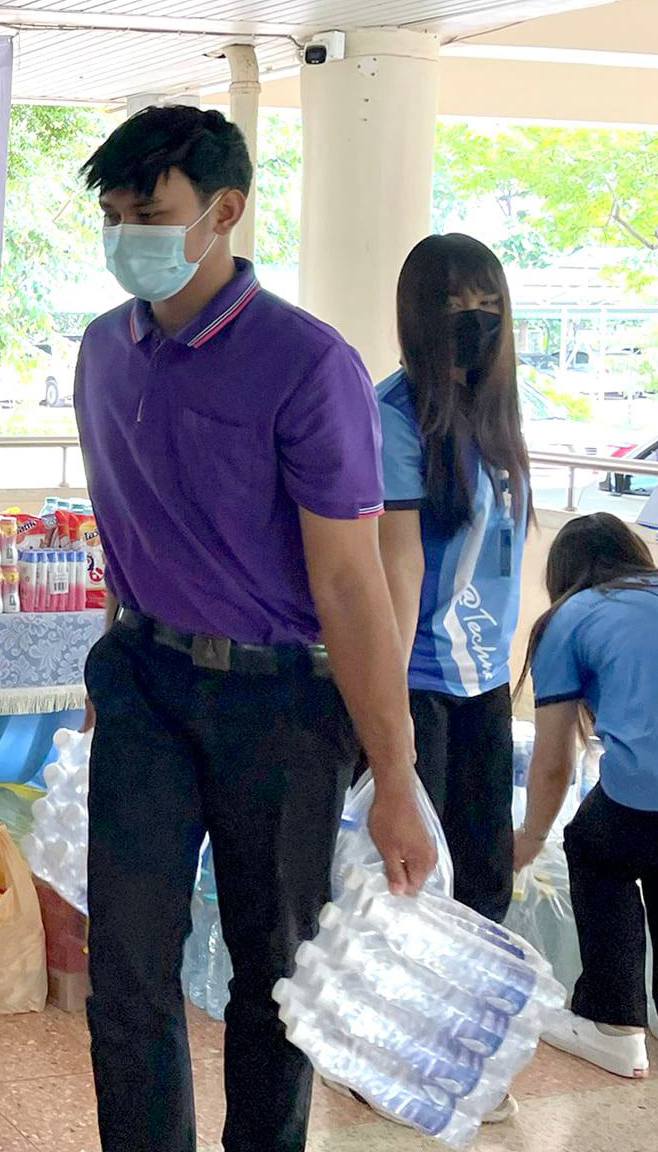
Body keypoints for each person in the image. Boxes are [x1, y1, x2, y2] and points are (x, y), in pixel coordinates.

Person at [71, 105, 436, 1152]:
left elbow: (352, 584)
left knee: (274, 977)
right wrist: (109, 678)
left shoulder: (308, 364)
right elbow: (125, 524)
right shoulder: (104, 351)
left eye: (149, 211)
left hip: (278, 704)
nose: (124, 234)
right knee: (127, 975)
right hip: (142, 681)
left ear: (224, 212)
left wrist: (396, 781)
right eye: (110, 212)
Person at [377, 234, 531, 924]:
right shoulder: (394, 417)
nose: (476, 318)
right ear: (419, 315)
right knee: (414, 890)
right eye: (455, 304)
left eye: (489, 302)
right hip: (420, 682)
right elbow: (398, 567)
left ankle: (476, 1031)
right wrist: (391, 715)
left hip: (485, 680)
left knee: (483, 880)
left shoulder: (496, 415)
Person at [514, 512, 658, 1080]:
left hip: (647, 788)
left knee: (597, 843)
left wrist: (528, 839)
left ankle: (612, 1024)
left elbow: (552, 765)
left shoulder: (569, 618)